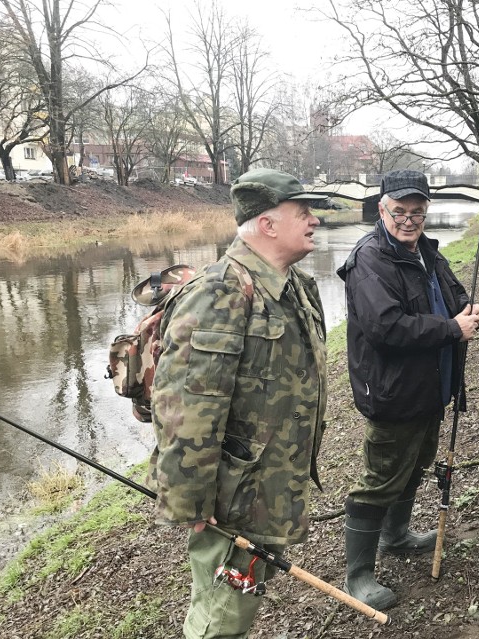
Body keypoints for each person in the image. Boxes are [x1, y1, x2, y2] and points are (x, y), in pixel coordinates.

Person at [148, 168, 329, 639]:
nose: (315, 220)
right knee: (222, 611)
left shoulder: (298, 287)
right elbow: (185, 409)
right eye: (303, 212)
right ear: (267, 225)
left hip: (269, 485)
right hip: (232, 497)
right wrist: (190, 502)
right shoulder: (219, 294)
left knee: (243, 596)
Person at [336, 169, 479, 610]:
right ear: (382, 210)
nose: (408, 220)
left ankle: (395, 536)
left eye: (416, 212)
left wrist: (469, 312)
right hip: (393, 392)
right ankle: (358, 574)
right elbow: (386, 328)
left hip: (431, 388)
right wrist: (450, 328)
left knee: (415, 464)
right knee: (378, 480)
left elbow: (453, 299)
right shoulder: (370, 259)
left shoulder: (428, 253)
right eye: (399, 211)